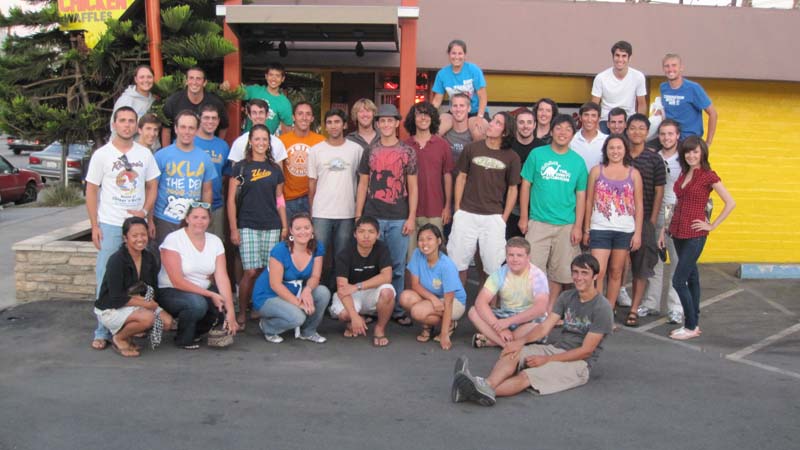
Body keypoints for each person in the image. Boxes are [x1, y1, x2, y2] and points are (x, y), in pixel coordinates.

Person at [452, 254, 613, 405]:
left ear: (595, 276)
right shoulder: (567, 297)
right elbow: (544, 327)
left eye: (584, 273)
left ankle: (477, 391)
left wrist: (546, 361)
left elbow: (586, 351)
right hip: (556, 349)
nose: (579, 277)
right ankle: (485, 385)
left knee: (526, 376)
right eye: (575, 272)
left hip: (579, 363)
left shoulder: (602, 307)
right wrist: (519, 343)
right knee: (512, 353)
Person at [86, 106, 160, 350]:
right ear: (114, 124)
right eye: (123, 121)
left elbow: (152, 186)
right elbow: (92, 190)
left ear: (136, 126)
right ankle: (102, 330)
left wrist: (146, 213)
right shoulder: (102, 155)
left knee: (139, 279)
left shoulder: (144, 154)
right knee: (104, 278)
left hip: (136, 225)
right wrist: (94, 225)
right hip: (110, 222)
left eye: (131, 121)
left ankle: (131, 323)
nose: (127, 125)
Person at [662, 136, 735, 340]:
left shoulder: (708, 176)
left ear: (702, 153)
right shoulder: (685, 173)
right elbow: (677, 203)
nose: (691, 155)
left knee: (679, 280)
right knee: (692, 277)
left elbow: (730, 202)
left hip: (695, 234)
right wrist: (666, 228)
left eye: (695, 151)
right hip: (678, 231)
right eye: (688, 152)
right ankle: (694, 320)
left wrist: (712, 224)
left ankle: (691, 325)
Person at [355, 103, 418, 326]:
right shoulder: (370, 151)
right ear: (377, 124)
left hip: (398, 216)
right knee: (372, 264)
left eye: (390, 120)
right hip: (373, 216)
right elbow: (363, 184)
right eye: (382, 121)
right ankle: (373, 308)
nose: (386, 124)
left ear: (397, 123)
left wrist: (411, 217)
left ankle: (398, 309)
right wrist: (358, 215)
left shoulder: (407, 152)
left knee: (398, 266)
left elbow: (413, 187)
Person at [519, 114, 588, 308]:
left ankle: (548, 310)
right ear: (551, 131)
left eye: (568, 129)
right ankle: (532, 308)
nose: (562, 132)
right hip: (538, 222)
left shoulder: (578, 162)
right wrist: (524, 217)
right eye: (558, 128)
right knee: (532, 269)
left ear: (573, 135)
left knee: (559, 273)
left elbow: (581, 196)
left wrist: (578, 227)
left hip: (566, 224)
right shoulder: (537, 155)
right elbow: (525, 185)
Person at [447, 112, 520, 287]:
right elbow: (461, 177)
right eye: (493, 121)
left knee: (492, 267)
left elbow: (512, 189)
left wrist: (504, 218)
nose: (491, 124)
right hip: (466, 213)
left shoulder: (512, 157)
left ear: (505, 131)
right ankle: (457, 305)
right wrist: (457, 209)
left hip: (493, 217)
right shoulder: (472, 148)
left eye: (497, 123)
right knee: (457, 264)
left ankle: (487, 306)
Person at [227, 124, 288, 329]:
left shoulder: (274, 169)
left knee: (265, 270)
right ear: (250, 142)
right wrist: (234, 228)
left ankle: (258, 307)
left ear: (269, 143)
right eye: (257, 139)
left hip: (272, 224)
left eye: (265, 139)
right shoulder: (241, 168)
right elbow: (231, 201)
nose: (261, 143)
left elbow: (279, 198)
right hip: (248, 225)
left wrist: (285, 226)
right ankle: (242, 311)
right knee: (250, 271)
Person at [158, 203, 238, 349]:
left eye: (204, 218)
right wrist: (210, 295)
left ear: (209, 220)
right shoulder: (173, 239)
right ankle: (183, 339)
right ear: (187, 219)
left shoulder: (215, 241)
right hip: (170, 290)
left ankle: (195, 332)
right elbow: (177, 281)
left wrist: (231, 311)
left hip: (201, 289)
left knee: (221, 308)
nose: (199, 221)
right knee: (197, 304)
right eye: (195, 217)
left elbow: (222, 277)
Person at [94, 217, 173, 357]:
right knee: (148, 318)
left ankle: (130, 331)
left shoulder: (149, 257)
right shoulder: (116, 260)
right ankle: (119, 338)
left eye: (143, 235)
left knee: (167, 322)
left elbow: (152, 288)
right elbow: (116, 297)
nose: (140, 239)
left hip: (136, 302)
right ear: (125, 238)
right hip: (111, 307)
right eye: (134, 236)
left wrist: (150, 304)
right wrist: (147, 304)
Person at [582, 134, 643, 313]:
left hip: (624, 230)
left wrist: (637, 233)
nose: (615, 151)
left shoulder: (634, 173)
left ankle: (608, 311)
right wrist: (587, 229)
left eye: (619, 148)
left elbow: (639, 205)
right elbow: (588, 201)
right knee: (598, 272)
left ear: (625, 150)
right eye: (611, 148)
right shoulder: (596, 171)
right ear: (606, 150)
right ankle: (598, 310)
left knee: (616, 272)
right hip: (600, 228)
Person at [252, 213, 331, 343]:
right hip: (268, 295)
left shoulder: (317, 247)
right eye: (298, 228)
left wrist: (307, 291)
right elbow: (275, 285)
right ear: (291, 231)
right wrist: (299, 304)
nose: (303, 232)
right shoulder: (280, 250)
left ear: (312, 229)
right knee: (297, 317)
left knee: (323, 292)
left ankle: (308, 331)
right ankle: (268, 327)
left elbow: (316, 276)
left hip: (296, 291)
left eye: (306, 227)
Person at [308, 109, 363, 289]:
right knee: (318, 256)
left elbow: (362, 181)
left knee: (342, 256)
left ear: (345, 125)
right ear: (325, 125)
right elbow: (312, 185)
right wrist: (312, 211)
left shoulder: (356, 150)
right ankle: (319, 294)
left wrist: (357, 212)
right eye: (329, 122)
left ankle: (338, 295)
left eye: (337, 122)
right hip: (321, 212)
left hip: (347, 212)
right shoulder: (316, 151)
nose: (333, 126)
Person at [467, 237, 549, 349]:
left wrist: (508, 322)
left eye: (519, 255)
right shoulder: (499, 274)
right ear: (506, 256)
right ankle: (504, 344)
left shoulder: (537, 275)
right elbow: (480, 302)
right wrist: (501, 328)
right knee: (473, 311)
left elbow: (540, 308)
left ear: (528, 257)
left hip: (527, 316)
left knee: (540, 326)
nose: (515, 259)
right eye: (511, 255)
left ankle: (492, 340)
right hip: (505, 313)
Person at [151, 110, 216, 246]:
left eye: (191, 128)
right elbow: (152, 189)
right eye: (183, 127)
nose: (187, 132)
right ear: (175, 128)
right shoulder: (161, 156)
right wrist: (149, 218)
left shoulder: (204, 158)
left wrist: (205, 216)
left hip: (192, 220)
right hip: (164, 219)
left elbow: (207, 190)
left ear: (197, 130)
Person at [641, 119, 684, 323]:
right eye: (663, 134)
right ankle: (651, 303)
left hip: (677, 213)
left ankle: (675, 307)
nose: (666, 138)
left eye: (670, 134)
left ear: (677, 136)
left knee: (677, 262)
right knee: (654, 260)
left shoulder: (685, 159)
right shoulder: (653, 156)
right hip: (655, 211)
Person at [329, 216, 396, 347]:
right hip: (349, 295)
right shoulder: (345, 253)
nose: (366, 236)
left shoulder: (382, 248)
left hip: (368, 292)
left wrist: (357, 286)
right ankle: (354, 321)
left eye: (371, 232)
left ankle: (379, 329)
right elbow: (343, 289)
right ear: (355, 234)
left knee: (388, 291)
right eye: (361, 231)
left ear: (378, 234)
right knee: (345, 315)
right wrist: (354, 316)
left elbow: (387, 277)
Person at [624, 114, 666, 327]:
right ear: (627, 130)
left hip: (645, 219)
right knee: (618, 265)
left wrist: (650, 220)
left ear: (647, 132)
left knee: (641, 266)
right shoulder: (620, 154)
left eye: (642, 128)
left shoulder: (654, 159)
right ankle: (610, 304)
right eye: (633, 127)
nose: (637, 132)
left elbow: (659, 192)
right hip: (620, 219)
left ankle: (634, 308)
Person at [399, 224, 467, 350]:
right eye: (421, 239)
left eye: (429, 239)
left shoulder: (446, 265)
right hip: (433, 296)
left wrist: (444, 335)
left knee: (417, 311)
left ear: (439, 241)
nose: (425, 243)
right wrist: (433, 299)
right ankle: (431, 325)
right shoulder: (417, 254)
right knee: (405, 297)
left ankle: (447, 326)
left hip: (455, 302)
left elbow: (449, 301)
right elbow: (415, 285)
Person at [402, 101, 454, 259]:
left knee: (433, 255)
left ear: (432, 118)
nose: (423, 118)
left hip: (435, 209)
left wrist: (446, 206)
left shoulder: (442, 145)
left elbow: (447, 175)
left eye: (427, 114)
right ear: (413, 118)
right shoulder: (405, 145)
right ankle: (412, 284)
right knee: (410, 257)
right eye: (419, 114)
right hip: (409, 211)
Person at [432, 39, 489, 141]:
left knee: (478, 132)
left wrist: (480, 117)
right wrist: (428, 115)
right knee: (435, 130)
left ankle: (475, 156)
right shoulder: (442, 74)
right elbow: (437, 100)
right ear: (449, 54)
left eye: (460, 53)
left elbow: (482, 97)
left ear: (465, 55)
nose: (457, 57)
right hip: (455, 110)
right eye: (453, 53)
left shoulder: (473, 70)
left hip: (476, 111)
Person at [162, 67, 228, 147]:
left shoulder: (216, 103)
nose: (194, 82)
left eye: (198, 79)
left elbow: (223, 126)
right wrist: (167, 152)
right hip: (180, 150)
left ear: (204, 83)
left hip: (207, 150)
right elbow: (166, 129)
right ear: (186, 81)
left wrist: (216, 146)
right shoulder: (173, 101)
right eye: (191, 78)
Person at [660, 53, 718, 146]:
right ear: (663, 69)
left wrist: (708, 142)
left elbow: (713, 113)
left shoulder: (693, 88)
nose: (670, 69)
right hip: (670, 139)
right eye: (667, 66)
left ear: (681, 67)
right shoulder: (663, 87)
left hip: (690, 140)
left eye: (674, 65)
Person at [279, 101, 325, 218]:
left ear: (312, 118)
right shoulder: (281, 141)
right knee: (288, 235)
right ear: (293, 117)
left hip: (313, 198)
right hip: (288, 199)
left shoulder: (321, 141)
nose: (304, 118)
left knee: (312, 235)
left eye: (308, 114)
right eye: (300, 114)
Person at [591, 41, 647, 134]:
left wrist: (638, 126)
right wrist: (596, 128)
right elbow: (594, 106)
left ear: (629, 57)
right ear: (613, 56)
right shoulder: (601, 77)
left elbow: (641, 104)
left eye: (624, 56)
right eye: (617, 55)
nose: (620, 59)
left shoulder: (638, 77)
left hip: (629, 120)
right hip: (606, 121)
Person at [193, 105, 231, 241]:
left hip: (215, 206)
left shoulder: (223, 146)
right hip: (191, 206)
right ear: (199, 119)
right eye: (206, 118)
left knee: (214, 245)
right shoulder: (189, 141)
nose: (210, 122)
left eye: (214, 118)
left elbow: (226, 176)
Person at [228, 99, 288, 167]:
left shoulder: (277, 143)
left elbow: (280, 174)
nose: (258, 116)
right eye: (254, 113)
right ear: (249, 116)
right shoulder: (239, 142)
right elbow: (235, 173)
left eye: (261, 112)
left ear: (267, 115)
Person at [508, 109, 537, 238]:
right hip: (509, 207)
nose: (525, 126)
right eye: (521, 122)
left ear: (535, 125)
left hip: (534, 210)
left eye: (529, 122)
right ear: (516, 125)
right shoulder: (507, 146)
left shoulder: (541, 148)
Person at [242, 62, 294, 134]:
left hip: (267, 142)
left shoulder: (285, 103)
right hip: (247, 139)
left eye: (277, 76)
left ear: (283, 79)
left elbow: (288, 130)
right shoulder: (254, 90)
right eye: (271, 75)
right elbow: (234, 94)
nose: (274, 79)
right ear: (266, 76)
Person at [110, 65, 155, 137]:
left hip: (151, 146)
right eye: (142, 77)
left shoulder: (154, 101)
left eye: (149, 77)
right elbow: (116, 128)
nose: (146, 80)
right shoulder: (125, 100)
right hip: (127, 146)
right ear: (136, 79)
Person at [570, 102, 608, 173]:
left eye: (593, 115)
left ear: (599, 118)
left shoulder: (606, 140)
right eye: (586, 115)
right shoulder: (571, 140)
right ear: (580, 118)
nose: (589, 119)